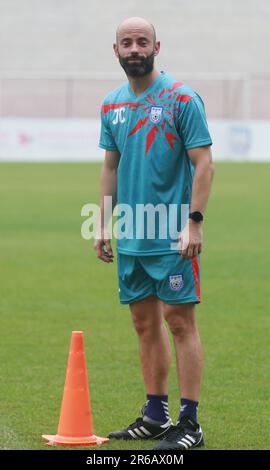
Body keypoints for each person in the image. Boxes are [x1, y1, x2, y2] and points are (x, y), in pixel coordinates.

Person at [95, 16, 214, 450]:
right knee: (143, 322)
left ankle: (190, 423)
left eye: (141, 41)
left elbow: (205, 163)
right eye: (126, 42)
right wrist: (102, 223)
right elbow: (111, 167)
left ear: (156, 46)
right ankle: (154, 415)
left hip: (172, 236)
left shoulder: (183, 99)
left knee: (179, 321)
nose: (134, 49)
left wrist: (194, 221)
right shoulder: (111, 105)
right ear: (116, 50)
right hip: (131, 234)